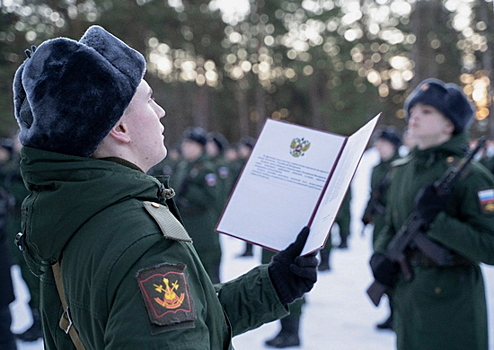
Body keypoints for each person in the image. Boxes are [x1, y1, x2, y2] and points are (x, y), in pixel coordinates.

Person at [12, 25, 318, 349]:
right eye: (149, 100)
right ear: (120, 127)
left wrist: (272, 286)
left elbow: (179, 323)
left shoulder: (74, 213)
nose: (161, 111)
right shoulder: (142, 241)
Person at [370, 78, 494, 350]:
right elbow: (392, 223)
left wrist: (437, 221)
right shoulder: (401, 170)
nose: (414, 115)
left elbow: (490, 248)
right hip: (409, 296)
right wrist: (381, 254)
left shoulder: (472, 176)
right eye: (413, 109)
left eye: (427, 111)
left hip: (453, 303)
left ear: (449, 125)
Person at [362, 126, 401, 330]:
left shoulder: (401, 167)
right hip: (379, 227)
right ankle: (391, 312)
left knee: (395, 269)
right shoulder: (376, 169)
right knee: (380, 266)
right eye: (378, 143)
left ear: (393, 146)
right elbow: (372, 194)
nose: (379, 147)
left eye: (383, 143)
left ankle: (398, 314)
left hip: (394, 226)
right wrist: (366, 214)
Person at [171, 127, 222, 283]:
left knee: (206, 272)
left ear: (200, 147)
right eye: (185, 144)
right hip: (184, 223)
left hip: (201, 226)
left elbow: (211, 198)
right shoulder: (183, 166)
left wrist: (189, 190)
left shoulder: (206, 169)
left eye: (191, 145)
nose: (186, 148)